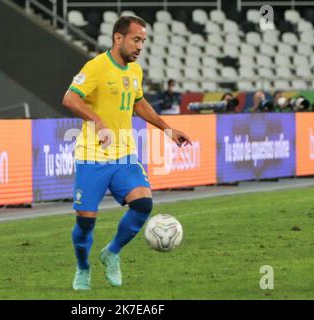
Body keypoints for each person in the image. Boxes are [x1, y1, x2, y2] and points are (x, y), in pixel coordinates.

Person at [62, 16, 191, 290]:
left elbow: (138, 102)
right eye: (136, 39)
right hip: (92, 156)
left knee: (143, 204)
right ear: (118, 38)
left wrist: (167, 129)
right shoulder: (96, 66)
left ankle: (112, 252)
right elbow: (70, 98)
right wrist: (98, 121)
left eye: (143, 41)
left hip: (124, 153)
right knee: (85, 223)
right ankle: (83, 268)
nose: (140, 46)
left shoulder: (135, 71)